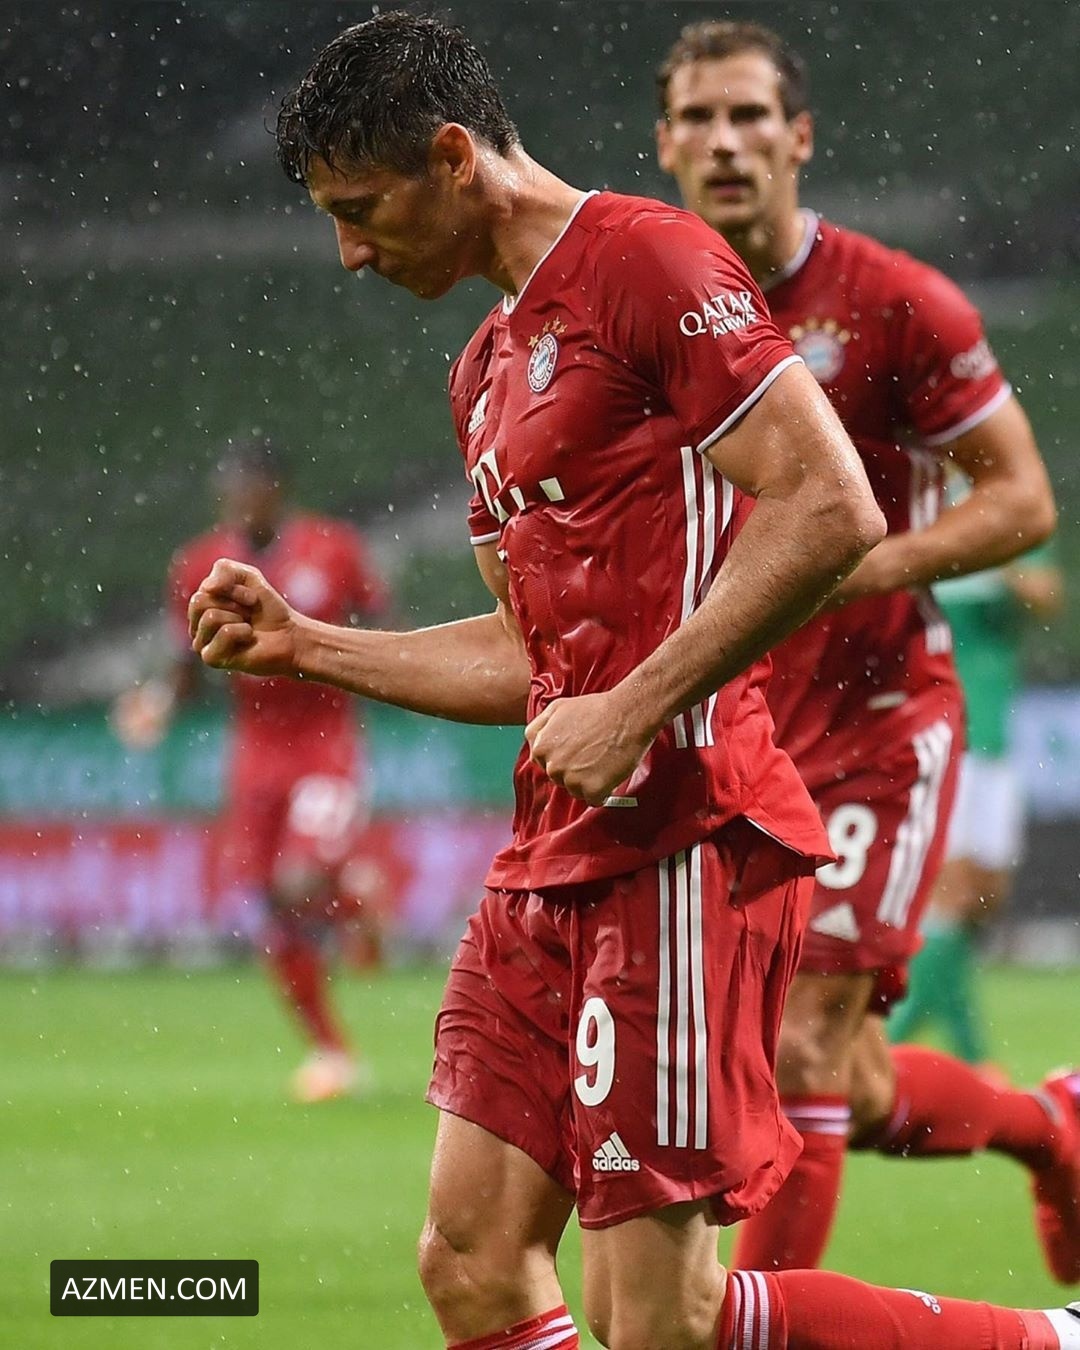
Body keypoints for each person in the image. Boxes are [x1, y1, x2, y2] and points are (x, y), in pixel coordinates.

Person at [189, 14, 1080, 1348]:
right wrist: (310, 645)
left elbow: (831, 502)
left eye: (361, 211)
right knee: (471, 1263)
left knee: (661, 1316)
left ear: (453, 159)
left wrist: (636, 703)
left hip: (682, 832)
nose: (350, 254)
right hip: (550, 852)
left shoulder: (646, 260)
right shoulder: (484, 370)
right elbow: (529, 656)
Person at [654, 16, 1078, 1284]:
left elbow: (1023, 501)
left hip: (875, 723)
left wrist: (865, 563)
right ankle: (1051, 1126)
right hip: (728, 729)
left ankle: (763, 1320)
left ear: (799, 137)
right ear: (663, 144)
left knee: (799, 1050)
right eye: (698, 118)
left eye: (749, 115)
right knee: (832, 1071)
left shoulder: (894, 302)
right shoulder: (640, 309)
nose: (725, 141)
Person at [114, 436, 388, 1103]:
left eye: (248, 486)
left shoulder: (332, 548)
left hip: (325, 741)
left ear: (276, 488)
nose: (238, 499)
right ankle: (331, 1051)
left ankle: (351, 898)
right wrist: (157, 703)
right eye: (229, 488)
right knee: (269, 906)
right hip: (257, 750)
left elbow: (384, 628)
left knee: (299, 879)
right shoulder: (200, 564)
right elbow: (187, 661)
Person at [888, 533, 1065, 1066]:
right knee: (952, 894)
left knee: (983, 898)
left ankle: (937, 1049)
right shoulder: (919, 521)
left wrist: (986, 548)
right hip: (945, 737)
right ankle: (904, 1046)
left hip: (994, 740)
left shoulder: (998, 519)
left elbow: (1046, 594)